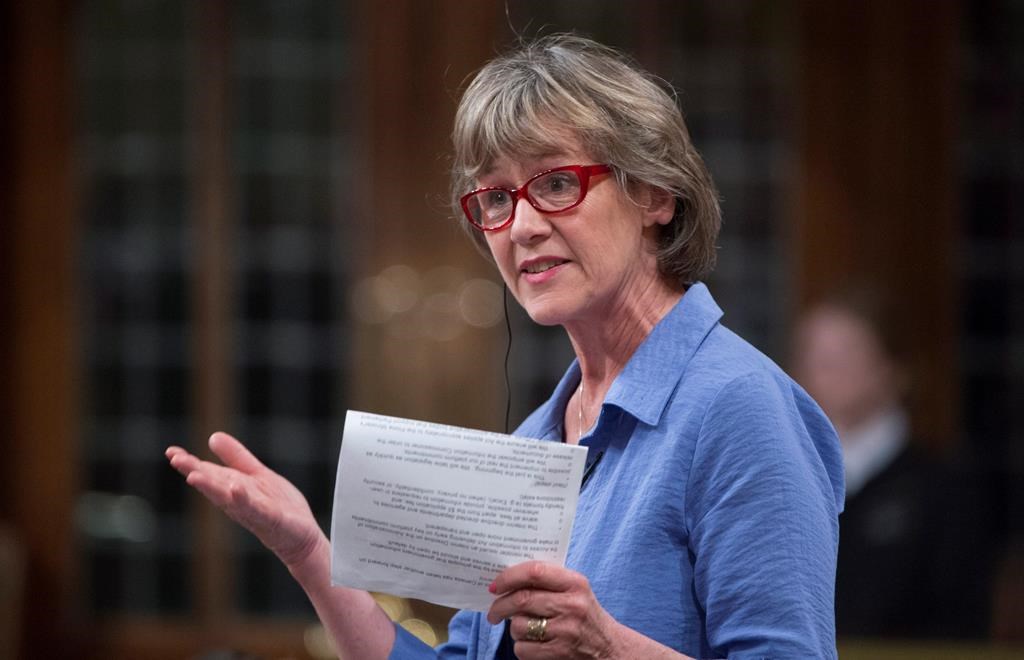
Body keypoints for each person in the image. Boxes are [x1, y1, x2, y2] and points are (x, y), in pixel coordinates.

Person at [167, 34, 844, 659]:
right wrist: (308, 552)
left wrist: (608, 647)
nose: (518, 227)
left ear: (655, 192)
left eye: (555, 184)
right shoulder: (538, 442)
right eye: (494, 197)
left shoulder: (739, 407)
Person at [792, 287, 993, 638]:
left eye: (846, 352)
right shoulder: (787, 477)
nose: (825, 367)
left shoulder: (943, 487)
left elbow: (961, 621)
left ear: (892, 366)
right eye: (815, 352)